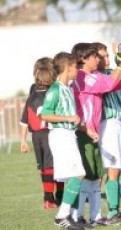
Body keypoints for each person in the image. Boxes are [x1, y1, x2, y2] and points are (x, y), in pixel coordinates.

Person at [70, 41, 121, 225]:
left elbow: (115, 83)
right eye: (96, 56)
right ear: (84, 59)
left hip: (92, 131)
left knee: (94, 176)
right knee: (84, 175)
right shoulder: (84, 77)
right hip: (84, 131)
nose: (99, 59)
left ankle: (94, 216)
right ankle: (74, 216)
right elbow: (109, 84)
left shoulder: (93, 75)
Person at [40, 52, 85, 230]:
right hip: (60, 135)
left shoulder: (68, 88)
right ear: (67, 68)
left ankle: (70, 217)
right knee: (78, 173)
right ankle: (61, 216)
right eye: (75, 67)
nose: (77, 70)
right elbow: (45, 114)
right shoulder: (55, 89)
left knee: (73, 176)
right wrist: (68, 117)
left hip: (69, 135)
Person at [20, 57, 64, 209]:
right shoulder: (53, 92)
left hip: (36, 136)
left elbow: (24, 119)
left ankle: (48, 198)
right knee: (56, 166)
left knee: (45, 167)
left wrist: (23, 140)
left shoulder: (31, 95)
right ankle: (58, 197)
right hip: (49, 132)